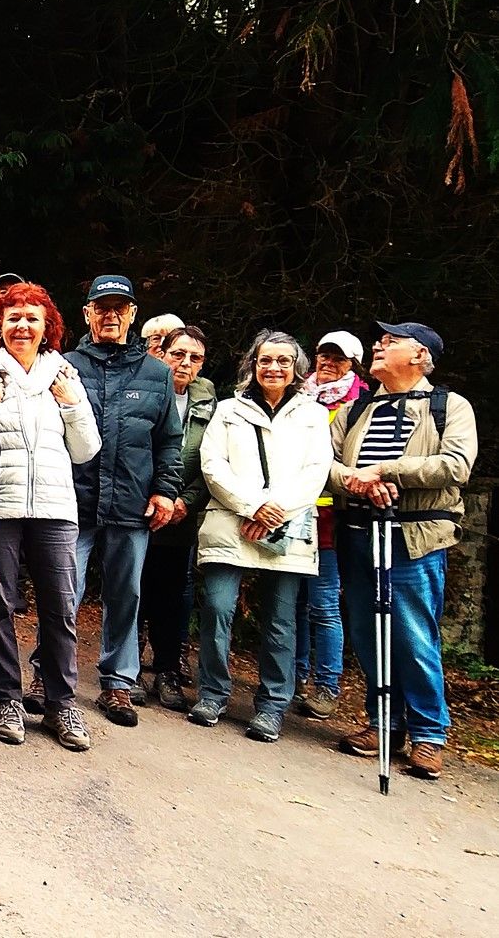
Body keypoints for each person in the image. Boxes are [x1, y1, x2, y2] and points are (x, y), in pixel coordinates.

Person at [33, 275, 181, 728]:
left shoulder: (157, 374)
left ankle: (119, 682)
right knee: (62, 594)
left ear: (133, 314)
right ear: (87, 314)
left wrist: (165, 490)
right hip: (73, 501)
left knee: (126, 595)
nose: (111, 315)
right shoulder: (64, 365)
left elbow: (169, 441)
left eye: (120, 308)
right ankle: (47, 673)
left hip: (131, 504)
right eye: (103, 307)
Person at [331, 323, 476, 780]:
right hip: (358, 531)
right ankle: (383, 725)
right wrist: (355, 481)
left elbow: (455, 465)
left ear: (419, 356)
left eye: (391, 342)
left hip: (415, 537)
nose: (379, 346)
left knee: (413, 634)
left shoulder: (449, 406)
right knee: (367, 630)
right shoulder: (353, 410)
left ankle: (429, 734)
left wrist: (385, 471)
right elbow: (323, 462)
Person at [188, 331, 331, 744]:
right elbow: (212, 464)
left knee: (281, 621)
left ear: (296, 369)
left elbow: (315, 470)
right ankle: (213, 693)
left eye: (283, 361)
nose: (274, 368)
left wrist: (275, 513)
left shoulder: (312, 415)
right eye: (266, 360)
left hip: (287, 527)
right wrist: (252, 507)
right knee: (217, 608)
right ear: (253, 364)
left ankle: (272, 705)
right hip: (232, 520)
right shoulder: (229, 410)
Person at [0, 282, 100, 750]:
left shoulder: (63, 373)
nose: (22, 326)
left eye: (32, 318)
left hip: (54, 507)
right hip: (1, 505)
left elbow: (86, 450)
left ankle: (60, 703)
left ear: (47, 325)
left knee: (60, 608)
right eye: (13, 318)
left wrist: (72, 403)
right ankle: (7, 699)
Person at [137, 326, 217, 711]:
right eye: (178, 354)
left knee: (171, 598)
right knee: (132, 591)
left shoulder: (209, 402)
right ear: (162, 353)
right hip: (139, 509)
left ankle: (167, 671)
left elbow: (213, 461)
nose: (184, 363)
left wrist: (184, 501)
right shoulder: (142, 389)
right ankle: (127, 668)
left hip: (182, 516)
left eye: (195, 357)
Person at [293, 329, 367, 720]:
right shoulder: (301, 394)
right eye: (324, 355)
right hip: (294, 512)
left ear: (352, 364)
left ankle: (327, 685)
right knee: (296, 605)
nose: (328, 362)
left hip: (331, 518)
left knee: (323, 606)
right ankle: (297, 678)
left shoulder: (360, 403)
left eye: (338, 358)